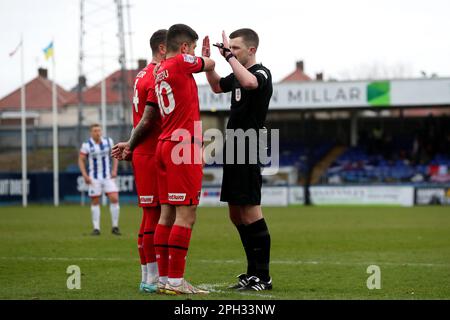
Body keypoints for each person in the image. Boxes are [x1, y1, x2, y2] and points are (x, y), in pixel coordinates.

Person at [148, 23, 215, 295]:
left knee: (166, 214)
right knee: (186, 215)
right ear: (185, 47)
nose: (196, 53)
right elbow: (208, 64)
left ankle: (164, 279)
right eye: (194, 47)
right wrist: (208, 56)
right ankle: (176, 281)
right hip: (181, 146)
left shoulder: (160, 69)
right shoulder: (180, 62)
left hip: (164, 145)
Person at [204, 28, 273, 291]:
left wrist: (227, 58)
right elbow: (215, 85)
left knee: (251, 210)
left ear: (251, 50)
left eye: (235, 48)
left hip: (249, 146)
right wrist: (210, 63)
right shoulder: (237, 74)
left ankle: (263, 277)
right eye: (229, 48)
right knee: (235, 213)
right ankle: (251, 272)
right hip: (233, 148)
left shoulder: (261, 73)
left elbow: (250, 84)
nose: (231, 52)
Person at [111, 29, 167, 294]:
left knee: (149, 215)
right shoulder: (157, 75)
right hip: (152, 151)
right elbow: (147, 119)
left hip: (142, 152)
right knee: (156, 215)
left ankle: (147, 276)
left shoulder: (141, 74)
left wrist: (131, 145)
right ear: (163, 49)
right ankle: (153, 278)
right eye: (178, 49)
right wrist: (131, 144)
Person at [78, 124, 121, 236]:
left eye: (99, 130)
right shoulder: (86, 145)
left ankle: (115, 227)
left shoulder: (108, 141)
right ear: (91, 133)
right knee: (95, 201)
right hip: (94, 178)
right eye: (95, 131)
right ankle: (96, 228)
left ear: (101, 131)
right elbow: (81, 160)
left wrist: (114, 170)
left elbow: (115, 155)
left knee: (114, 198)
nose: (97, 132)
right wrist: (85, 175)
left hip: (107, 177)